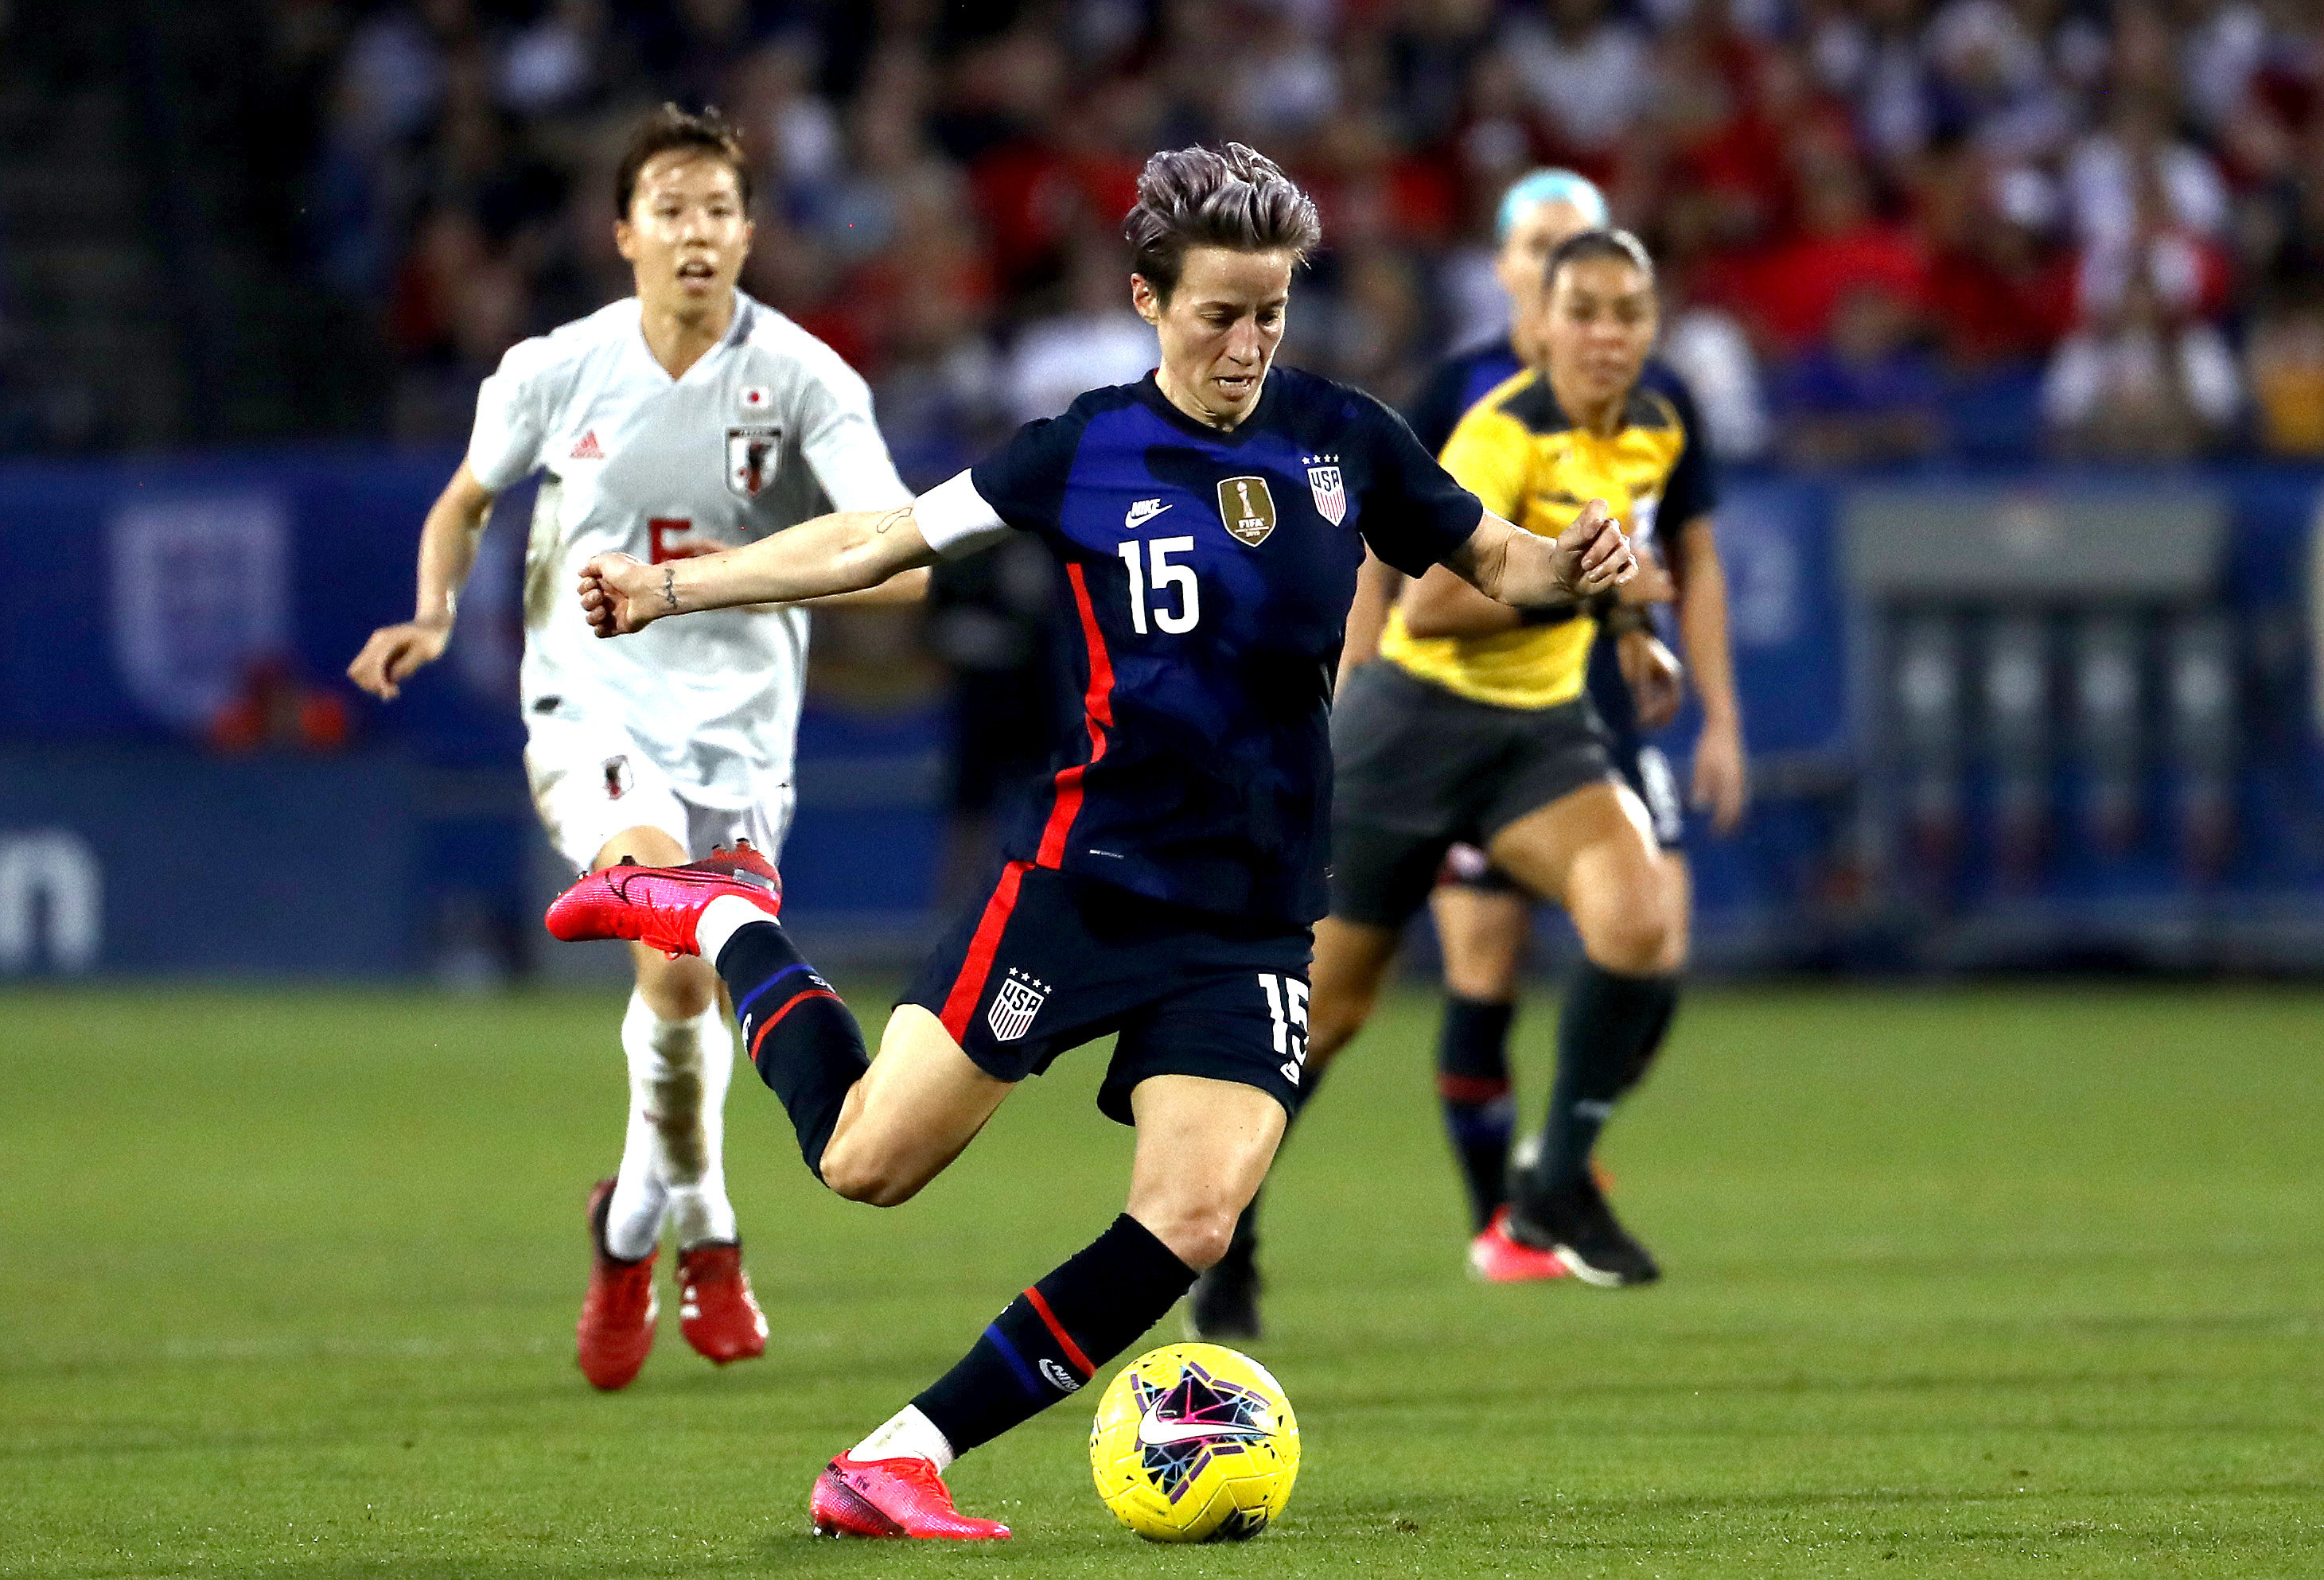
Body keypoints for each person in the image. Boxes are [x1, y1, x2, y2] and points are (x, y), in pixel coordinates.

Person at [541, 142, 1637, 1539]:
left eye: (1270, 314)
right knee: (867, 1162)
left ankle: (897, 1456)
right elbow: (875, 542)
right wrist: (671, 584)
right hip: (1086, 886)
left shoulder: (1345, 437)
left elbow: (1500, 560)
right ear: (1145, 298)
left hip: (1249, 915)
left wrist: (1574, 565)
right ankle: (720, 915)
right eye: (1217, 315)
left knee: (1192, 1218)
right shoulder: (1082, 450)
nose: (1247, 344)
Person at [348, 105, 925, 1391]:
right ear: (623, 233)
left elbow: (898, 561)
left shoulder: (807, 380)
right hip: (590, 707)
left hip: (740, 737)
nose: (696, 231)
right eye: (669, 207)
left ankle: (633, 1226)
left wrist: (753, 570)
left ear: (749, 231)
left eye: (718, 208)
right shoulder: (557, 368)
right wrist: (434, 612)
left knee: (685, 982)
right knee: (676, 947)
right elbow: (464, 501)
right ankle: (707, 1231)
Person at [1189, 177, 1746, 1337]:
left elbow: (1612, 558)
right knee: (1327, 1015)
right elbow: (1433, 611)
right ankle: (1221, 1233)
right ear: (1538, 322)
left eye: (1626, 314)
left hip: (1539, 735)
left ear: (1653, 327)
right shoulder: (1497, 427)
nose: (1605, 334)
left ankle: (1547, 1190)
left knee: (1639, 919)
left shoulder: (1654, 426)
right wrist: (1594, 596)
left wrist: (1632, 630)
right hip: (1414, 730)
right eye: (1582, 311)